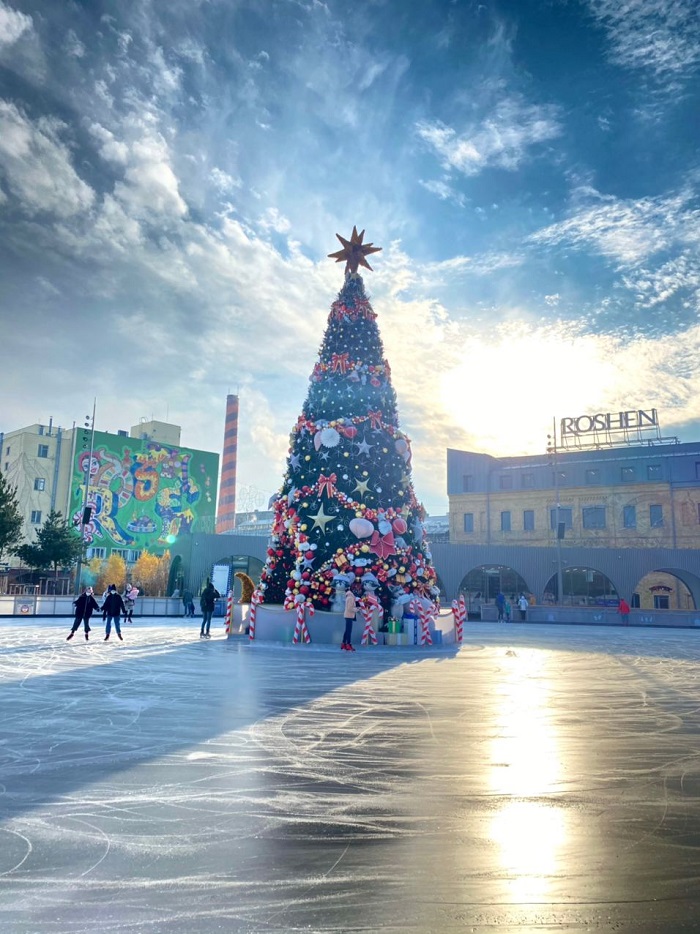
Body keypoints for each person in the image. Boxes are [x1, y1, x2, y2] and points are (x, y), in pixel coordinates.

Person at [342, 582, 358, 651]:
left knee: (347, 630)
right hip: (349, 615)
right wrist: (357, 609)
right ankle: (348, 644)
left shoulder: (349, 596)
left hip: (348, 615)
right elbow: (350, 608)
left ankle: (343, 643)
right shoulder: (350, 597)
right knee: (349, 631)